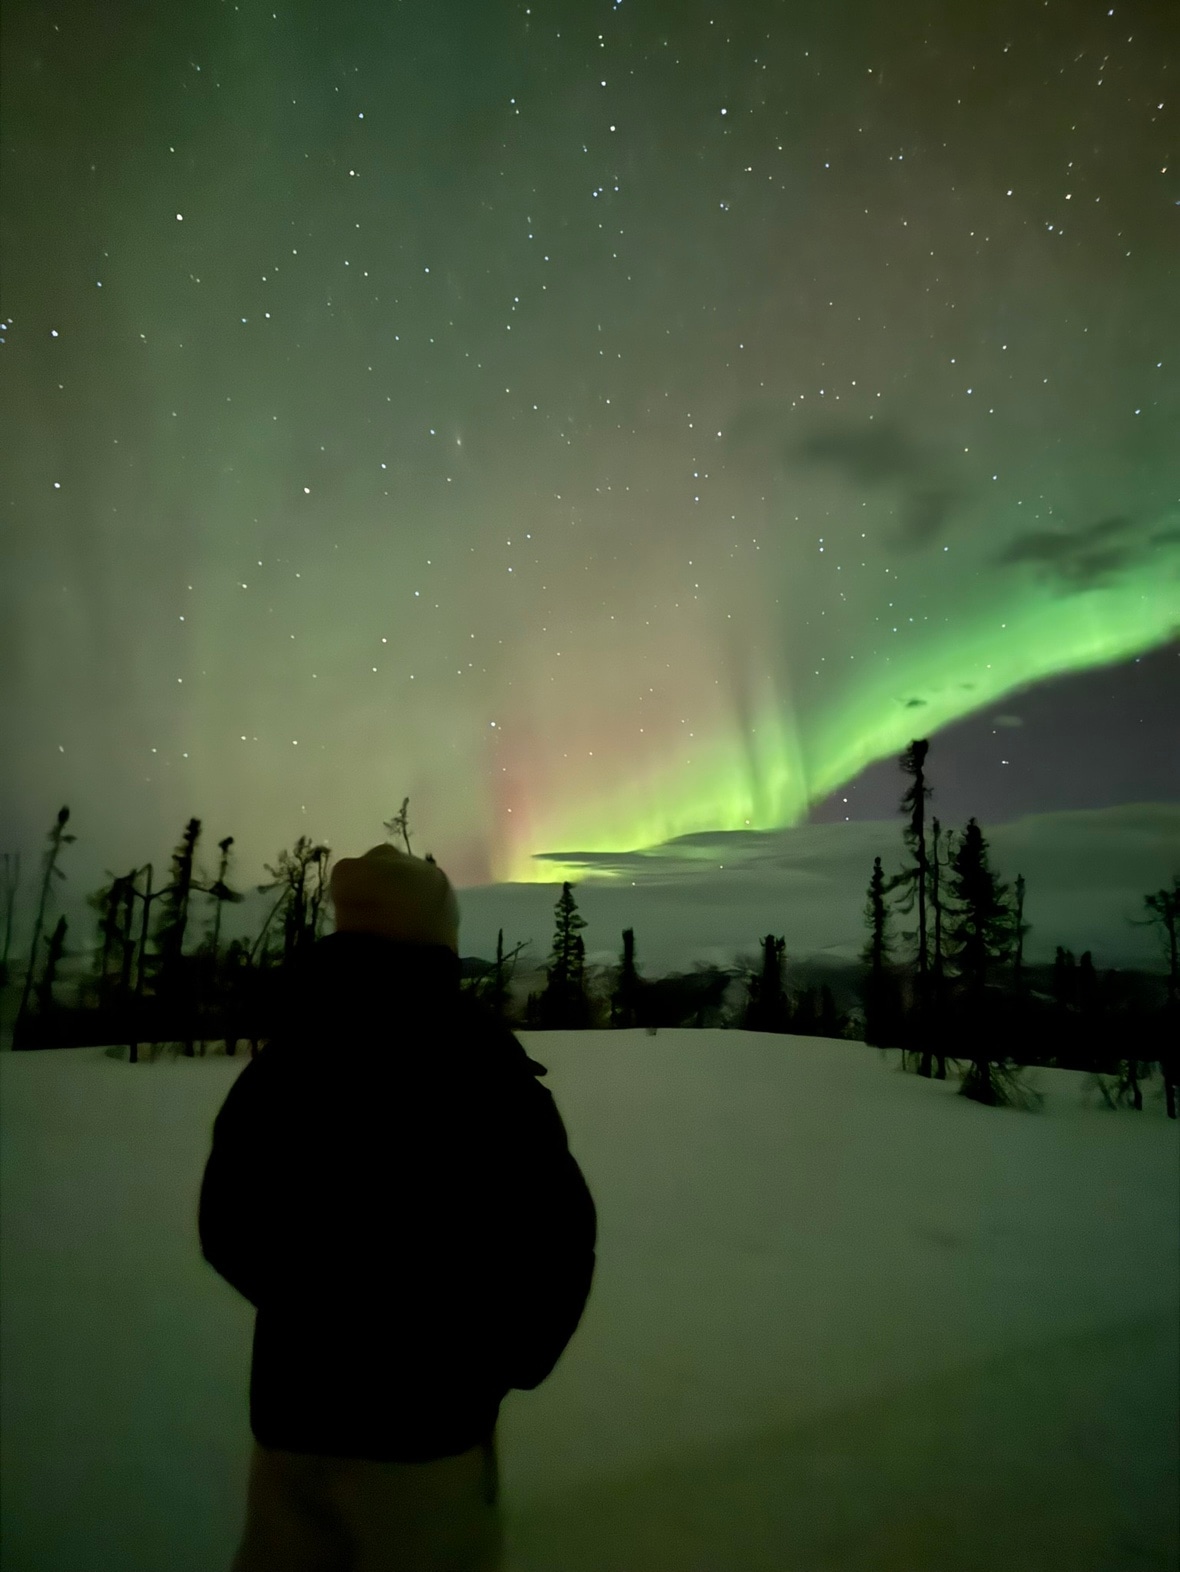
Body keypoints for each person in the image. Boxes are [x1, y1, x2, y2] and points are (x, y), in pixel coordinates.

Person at [198, 843, 598, 1571]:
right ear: (435, 940)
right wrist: (487, 1362)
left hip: (293, 1418)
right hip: (427, 1433)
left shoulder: (285, 1062)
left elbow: (228, 1224)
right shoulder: (478, 1067)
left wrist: (313, 1315)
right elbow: (557, 1238)